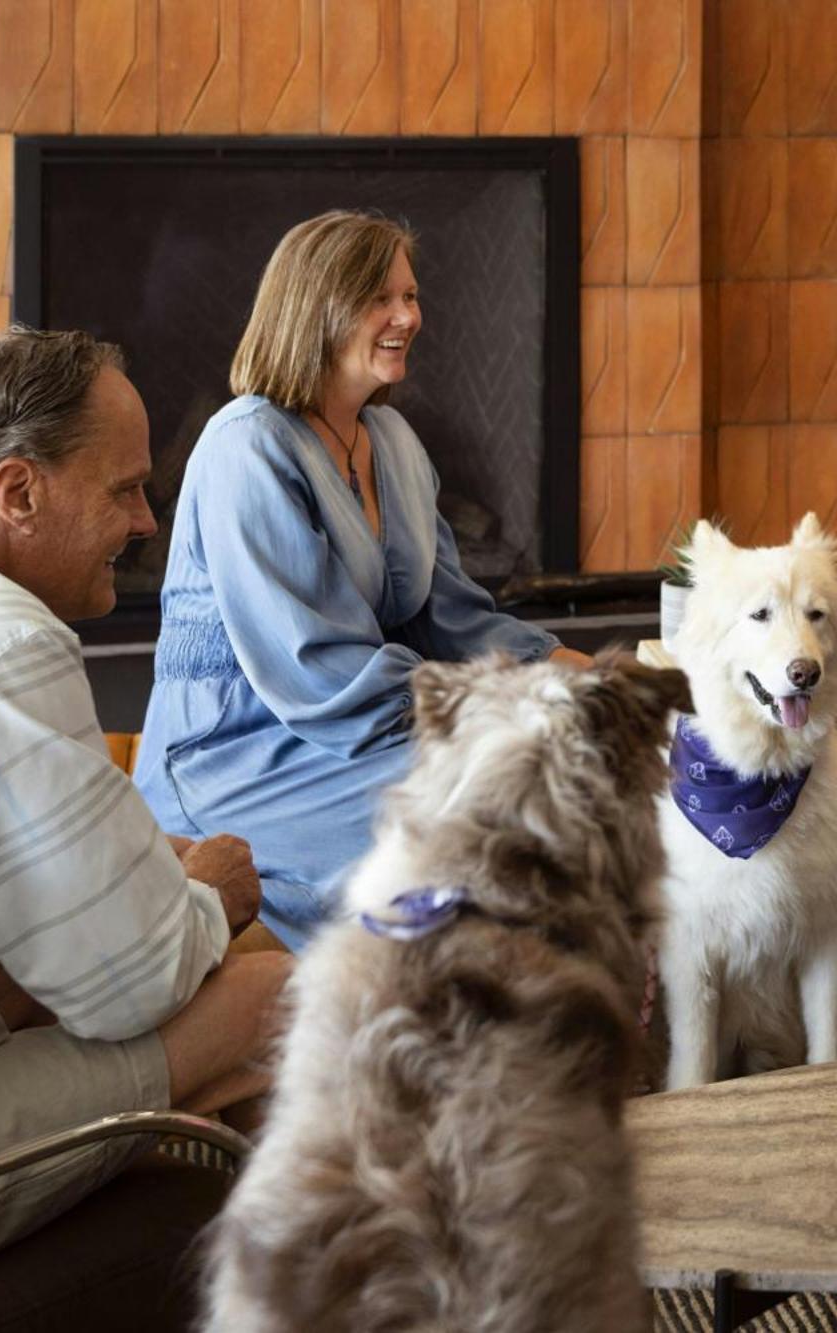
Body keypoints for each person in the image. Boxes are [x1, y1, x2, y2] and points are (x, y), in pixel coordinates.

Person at [0, 327, 290, 1326]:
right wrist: (210, 897)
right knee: (268, 995)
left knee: (140, 915)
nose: (145, 522)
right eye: (126, 489)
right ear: (17, 492)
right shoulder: (3, 645)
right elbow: (125, 982)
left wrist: (164, 886)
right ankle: (348, 1285)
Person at [134, 210, 587, 952]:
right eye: (383, 298)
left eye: (411, 296)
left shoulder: (395, 443)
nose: (409, 316)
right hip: (236, 754)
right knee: (493, 782)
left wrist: (594, 679)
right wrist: (505, 707)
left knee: (560, 752)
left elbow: (456, 620)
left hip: (361, 726)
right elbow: (318, 672)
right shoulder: (244, 445)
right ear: (318, 304)